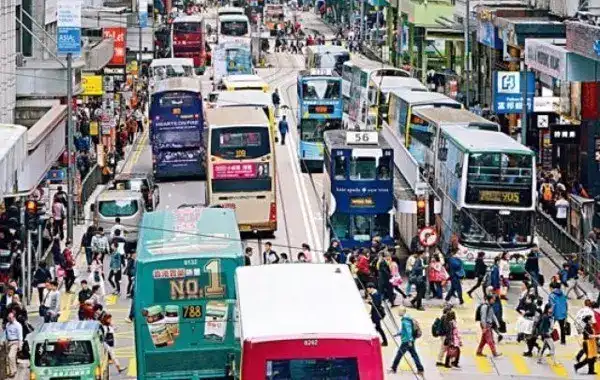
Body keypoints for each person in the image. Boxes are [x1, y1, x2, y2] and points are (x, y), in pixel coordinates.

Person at [389, 306, 424, 375]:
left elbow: (408, 331)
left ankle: (393, 368)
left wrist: (410, 341)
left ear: (403, 312)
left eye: (399, 311)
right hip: (410, 341)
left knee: (399, 354)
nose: (398, 312)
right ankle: (420, 369)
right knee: (414, 354)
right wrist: (398, 334)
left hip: (406, 341)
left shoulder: (405, 321)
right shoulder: (408, 318)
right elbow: (404, 331)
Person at [4, 311, 23, 378]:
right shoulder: (7, 324)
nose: (9, 319)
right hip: (8, 342)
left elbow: (20, 336)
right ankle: (11, 370)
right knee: (9, 357)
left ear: (14, 317)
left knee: (10, 356)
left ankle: (13, 371)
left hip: (15, 342)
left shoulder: (18, 325)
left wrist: (20, 345)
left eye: (10, 317)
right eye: (8, 317)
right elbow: (6, 334)